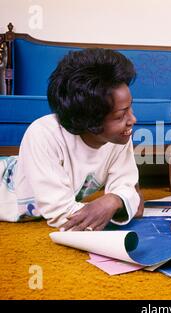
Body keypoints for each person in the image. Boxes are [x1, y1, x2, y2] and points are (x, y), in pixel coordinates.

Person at [0, 48, 143, 230]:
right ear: (90, 120)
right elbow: (63, 215)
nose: (133, 120)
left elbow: (128, 189)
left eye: (130, 108)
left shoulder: (118, 137)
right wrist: (122, 201)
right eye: (120, 116)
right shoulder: (44, 134)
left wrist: (114, 200)